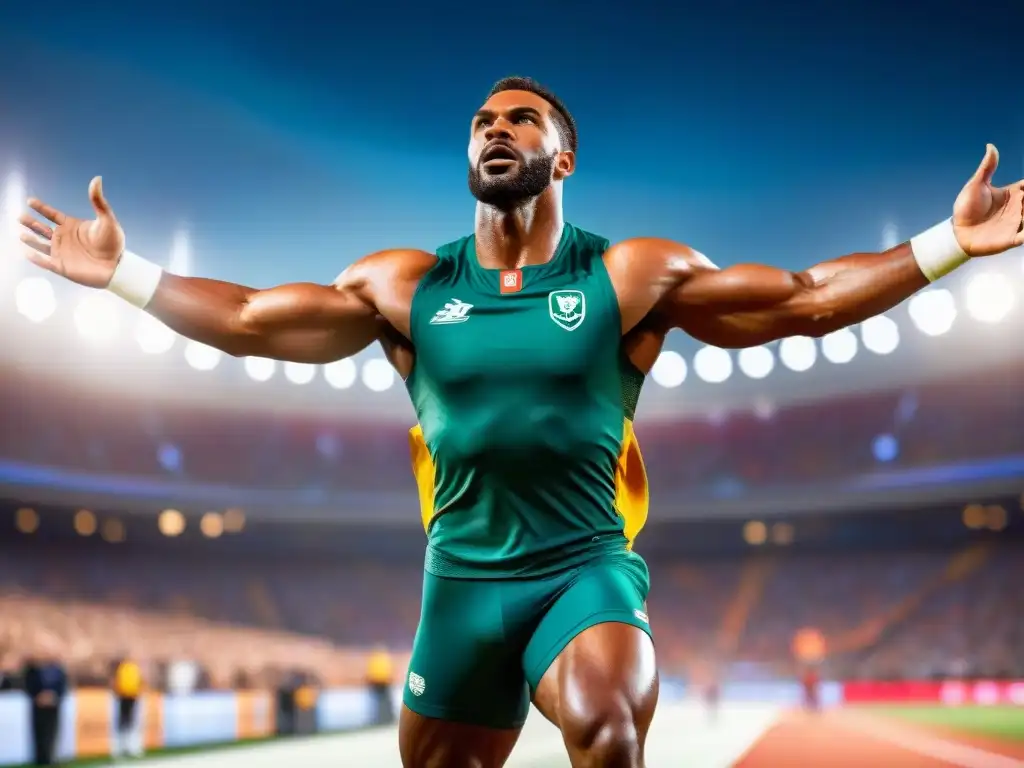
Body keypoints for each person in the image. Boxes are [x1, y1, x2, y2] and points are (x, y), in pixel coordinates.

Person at [18, 76, 1024, 768]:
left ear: (564, 156)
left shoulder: (626, 274)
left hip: (582, 566)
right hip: (458, 586)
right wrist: (124, 276)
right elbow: (245, 322)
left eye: (522, 119)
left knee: (605, 722)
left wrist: (947, 245)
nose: (496, 129)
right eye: (482, 122)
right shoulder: (404, 284)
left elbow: (803, 298)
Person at [22, 643, 67, 766]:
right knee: (39, 733)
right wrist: (38, 697)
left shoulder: (58, 669)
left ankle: (51, 757)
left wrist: (54, 697)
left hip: (53, 706)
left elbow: (63, 687)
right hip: (38, 706)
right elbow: (28, 685)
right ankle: (40, 759)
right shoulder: (33, 668)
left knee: (52, 733)